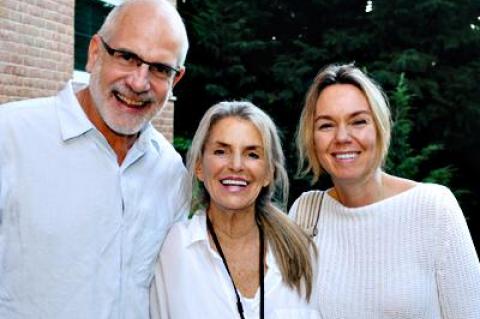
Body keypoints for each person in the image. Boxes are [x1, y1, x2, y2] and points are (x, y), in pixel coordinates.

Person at [0, 0, 189, 318]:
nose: (139, 83)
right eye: (128, 57)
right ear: (95, 53)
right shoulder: (10, 137)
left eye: (159, 69)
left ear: (176, 80)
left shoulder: (170, 172)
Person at [290, 63, 480, 318]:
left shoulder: (434, 208)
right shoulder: (305, 212)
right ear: (312, 137)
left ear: (379, 128)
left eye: (358, 121)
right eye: (326, 125)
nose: (342, 136)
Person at [150, 101, 320, 319]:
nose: (236, 165)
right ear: (200, 166)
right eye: (221, 151)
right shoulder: (174, 249)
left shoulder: (301, 252)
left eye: (252, 154)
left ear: (268, 172)